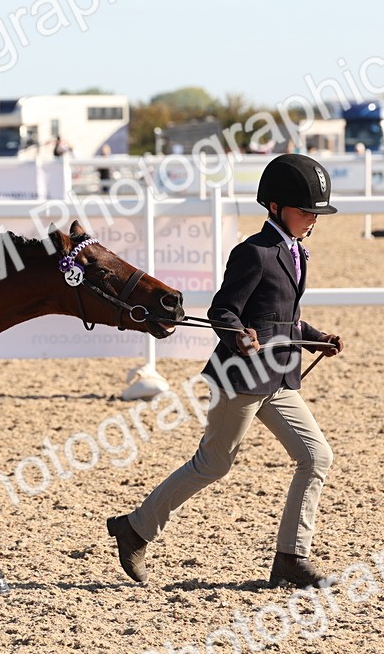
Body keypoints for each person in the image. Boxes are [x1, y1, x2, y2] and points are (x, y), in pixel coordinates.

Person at [107, 153, 344, 589]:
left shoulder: (295, 252)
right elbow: (223, 310)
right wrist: (238, 335)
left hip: (279, 378)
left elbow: (283, 318)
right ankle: (136, 528)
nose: (313, 219)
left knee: (316, 457)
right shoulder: (253, 253)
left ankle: (291, 557)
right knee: (213, 464)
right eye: (306, 210)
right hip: (241, 379)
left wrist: (316, 337)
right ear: (275, 207)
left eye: (316, 213)